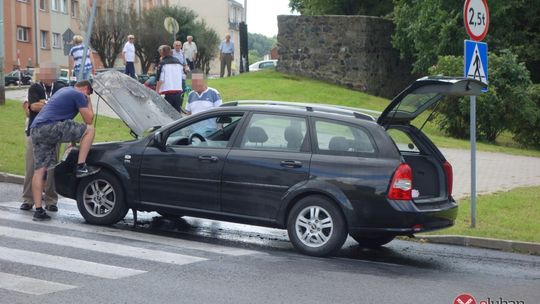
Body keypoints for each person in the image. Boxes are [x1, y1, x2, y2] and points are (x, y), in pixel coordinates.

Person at [29, 80, 98, 221]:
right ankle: (81, 166)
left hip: (36, 129)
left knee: (39, 170)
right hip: (50, 127)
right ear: (85, 88)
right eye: (90, 92)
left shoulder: (64, 91)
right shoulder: (78, 94)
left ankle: (38, 210)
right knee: (90, 130)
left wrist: (73, 141)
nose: (88, 95)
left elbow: (63, 118)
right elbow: (89, 119)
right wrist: (88, 101)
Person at [20, 62, 66, 212]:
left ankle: (51, 200)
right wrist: (51, 105)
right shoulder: (35, 87)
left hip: (54, 132)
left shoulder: (60, 87)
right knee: (32, 166)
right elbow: (32, 108)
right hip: (35, 132)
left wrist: (44, 103)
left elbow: (63, 106)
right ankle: (28, 199)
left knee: (51, 167)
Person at [156, 45, 184, 113]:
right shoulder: (179, 63)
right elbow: (182, 77)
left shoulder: (162, 64)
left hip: (167, 93)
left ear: (162, 53)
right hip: (178, 92)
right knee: (177, 114)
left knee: (166, 114)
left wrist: (156, 92)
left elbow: (160, 80)